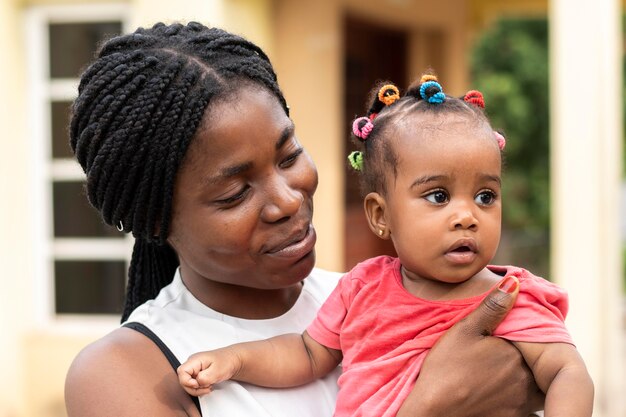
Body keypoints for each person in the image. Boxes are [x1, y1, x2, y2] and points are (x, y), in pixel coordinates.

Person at [65, 21, 547, 417]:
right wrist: (429, 407)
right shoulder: (129, 374)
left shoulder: (369, 297)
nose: (288, 201)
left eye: (289, 154)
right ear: (153, 220)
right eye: (235, 193)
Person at [177, 73, 594, 417]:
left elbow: (566, 373)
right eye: (438, 196)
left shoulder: (510, 297)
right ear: (380, 215)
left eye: (485, 196)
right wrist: (234, 360)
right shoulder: (362, 288)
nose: (467, 216)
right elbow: (306, 353)